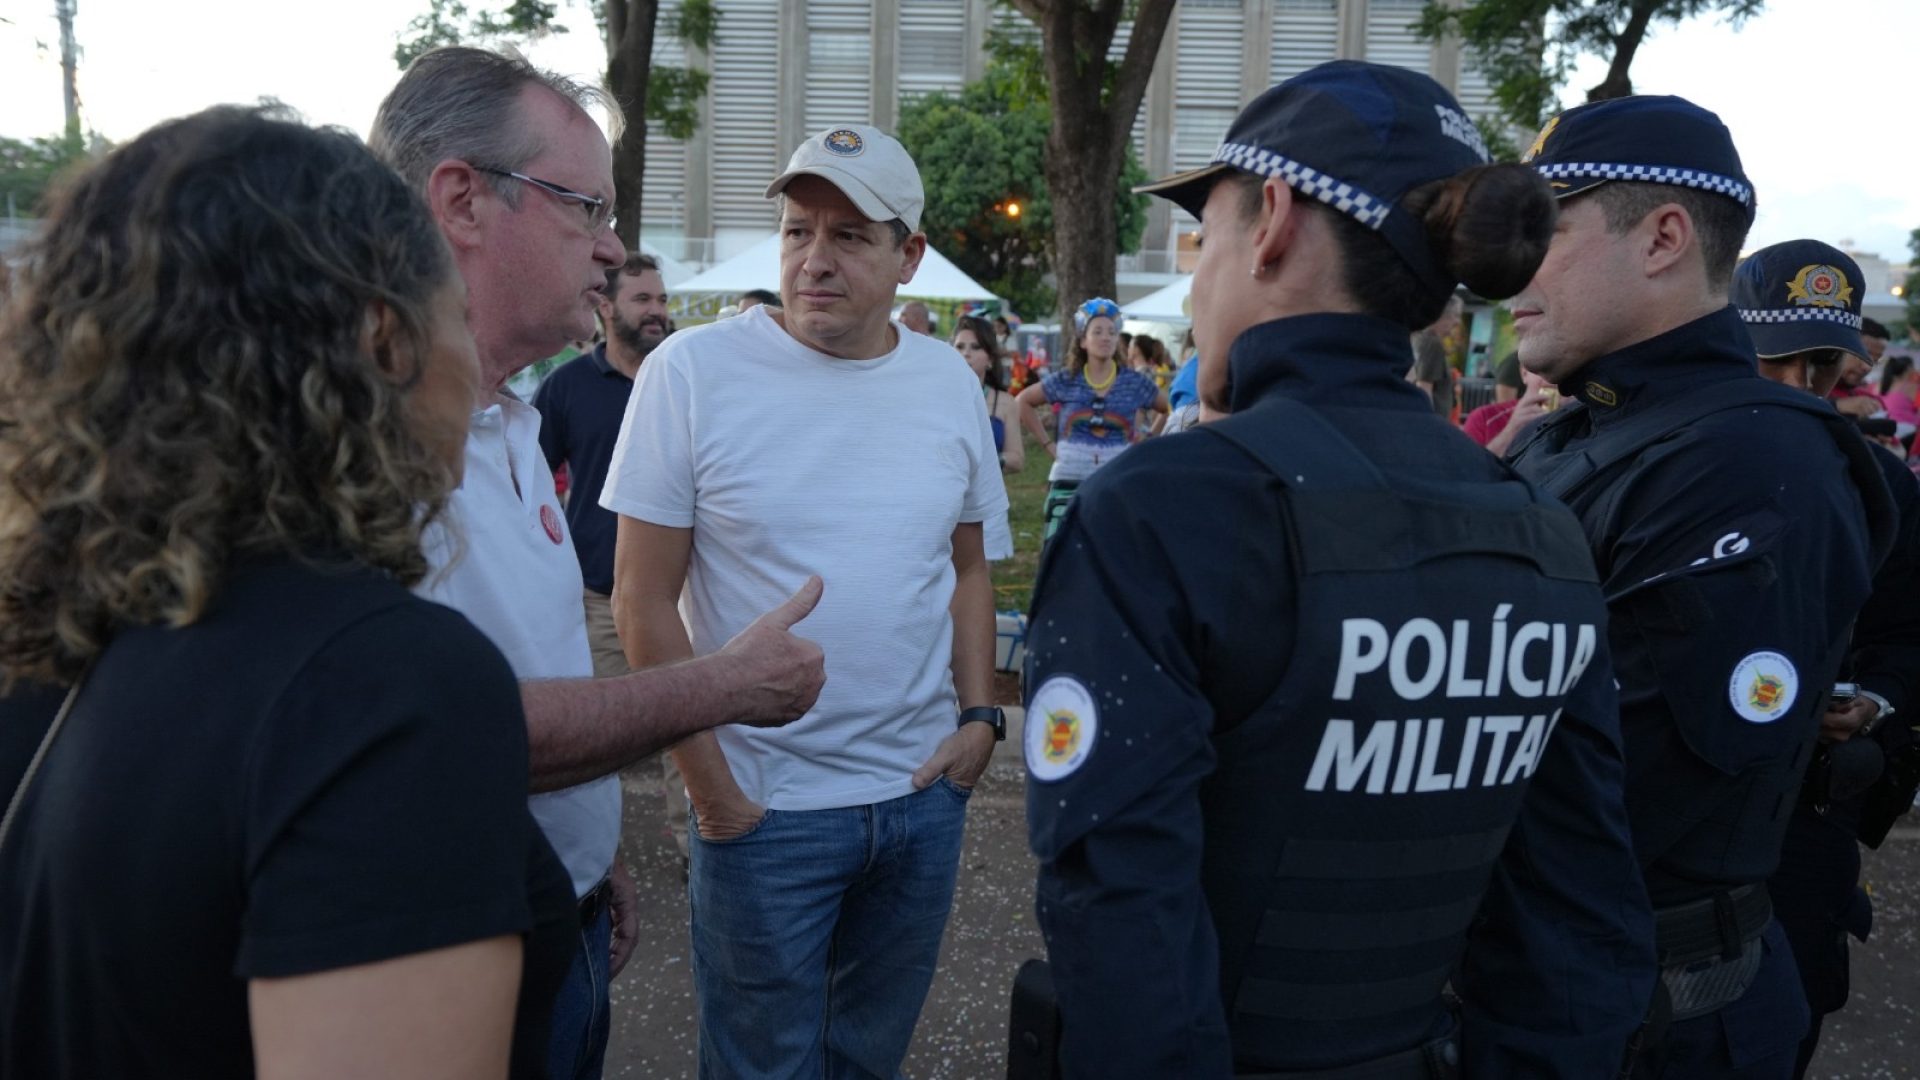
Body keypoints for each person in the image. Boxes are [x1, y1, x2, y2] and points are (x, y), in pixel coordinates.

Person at [1020, 61, 1654, 1078]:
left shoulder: (1164, 508)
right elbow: (1577, 923)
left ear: (1271, 220)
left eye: (1204, 239)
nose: (1193, 283)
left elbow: (1122, 909)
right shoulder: (1537, 524)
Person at [0, 105, 573, 1080]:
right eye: (455, 320)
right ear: (383, 339)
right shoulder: (389, 686)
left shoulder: (62, 630)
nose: (471, 362)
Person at [370, 47, 827, 1080]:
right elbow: (456, 732)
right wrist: (723, 686)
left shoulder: (508, 416)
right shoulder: (367, 447)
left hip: (551, 907)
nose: (614, 249)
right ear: (463, 201)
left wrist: (591, 850)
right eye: (586, 207)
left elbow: (527, 673)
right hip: (451, 955)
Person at [603, 123, 1007, 1078]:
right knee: (759, 1068)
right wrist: (713, 793)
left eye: (850, 236)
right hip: (762, 812)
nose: (813, 260)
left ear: (909, 256)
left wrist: (982, 719)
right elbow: (640, 600)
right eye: (796, 232)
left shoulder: (948, 382)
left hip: (919, 803)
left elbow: (971, 566)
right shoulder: (691, 373)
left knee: (868, 1058)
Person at [1506, 97, 1895, 1078]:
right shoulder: (1575, 430)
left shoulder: (1757, 461)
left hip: (1651, 1030)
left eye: (1540, 228)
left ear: (1665, 237)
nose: (1507, 269)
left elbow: (1601, 799)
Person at [1731, 241, 1920, 1078]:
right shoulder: (1684, 463)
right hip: (1676, 815)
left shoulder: (1884, 486)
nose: (1797, 387)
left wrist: (1873, 702)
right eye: (1772, 362)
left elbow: (1906, 632)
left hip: (1808, 814)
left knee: (1789, 1011)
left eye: (1817, 366)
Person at [532, 252, 691, 866]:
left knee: (690, 727)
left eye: (661, 300)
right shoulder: (567, 387)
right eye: (642, 300)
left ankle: (695, 848)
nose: (657, 312)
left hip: (683, 600)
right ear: (606, 307)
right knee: (594, 740)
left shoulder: (684, 379)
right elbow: (527, 481)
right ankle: (590, 861)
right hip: (601, 599)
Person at [1017, 297, 1169, 542]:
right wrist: (1048, 445)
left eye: (1111, 331)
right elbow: (1022, 402)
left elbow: (1167, 407)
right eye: (1097, 331)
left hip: (1115, 483)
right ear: (1082, 341)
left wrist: (1146, 440)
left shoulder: (1134, 382)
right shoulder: (1066, 379)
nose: (1106, 337)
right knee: (1061, 555)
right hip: (1067, 481)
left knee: (1111, 554)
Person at [955, 313, 1022, 562]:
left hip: (985, 506)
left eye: (975, 347)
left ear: (990, 359)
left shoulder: (1004, 403)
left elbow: (1017, 459)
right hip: (943, 505)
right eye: (959, 347)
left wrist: (986, 460)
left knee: (976, 583)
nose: (966, 354)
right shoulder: (935, 399)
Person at [1408, 292, 1463, 418]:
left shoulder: (1419, 338)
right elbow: (1424, 387)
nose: (1457, 322)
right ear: (1442, 315)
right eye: (1455, 315)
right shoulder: (1432, 343)